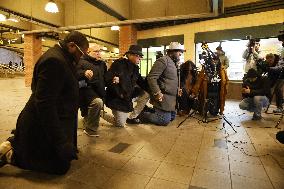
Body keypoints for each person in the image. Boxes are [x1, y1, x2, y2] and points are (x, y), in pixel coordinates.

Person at [0, 31, 89, 175]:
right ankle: (12, 154)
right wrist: (61, 142)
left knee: (63, 161)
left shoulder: (62, 57)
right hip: (39, 120)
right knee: (59, 167)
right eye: (81, 53)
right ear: (72, 46)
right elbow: (45, 104)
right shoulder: (55, 61)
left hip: (55, 117)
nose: (81, 58)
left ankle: (17, 143)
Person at [140, 42, 184, 126]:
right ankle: (142, 114)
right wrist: (157, 92)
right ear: (171, 52)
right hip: (163, 97)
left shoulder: (175, 63)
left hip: (172, 99)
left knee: (172, 117)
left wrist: (177, 89)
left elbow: (171, 80)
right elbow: (151, 77)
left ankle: (152, 111)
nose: (180, 54)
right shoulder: (163, 61)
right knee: (164, 120)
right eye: (179, 51)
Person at [103, 45, 146, 127]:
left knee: (146, 94)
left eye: (140, 56)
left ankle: (132, 117)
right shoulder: (118, 64)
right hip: (116, 98)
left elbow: (142, 82)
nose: (140, 58)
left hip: (127, 96)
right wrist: (120, 94)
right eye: (138, 56)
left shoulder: (135, 68)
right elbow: (108, 80)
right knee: (120, 124)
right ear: (130, 55)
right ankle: (100, 113)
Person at [77, 44, 107, 137]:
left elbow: (105, 76)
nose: (99, 53)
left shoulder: (102, 64)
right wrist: (83, 73)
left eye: (99, 51)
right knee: (97, 103)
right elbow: (74, 73)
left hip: (99, 90)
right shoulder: (80, 61)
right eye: (96, 51)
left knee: (95, 109)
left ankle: (86, 123)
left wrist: (113, 78)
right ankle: (90, 130)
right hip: (85, 91)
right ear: (88, 52)